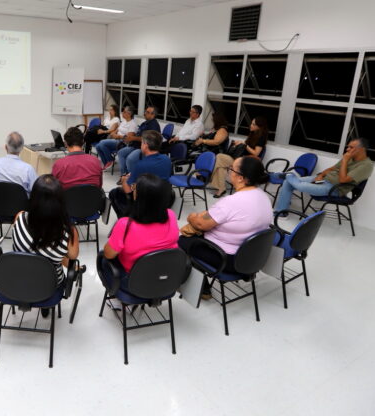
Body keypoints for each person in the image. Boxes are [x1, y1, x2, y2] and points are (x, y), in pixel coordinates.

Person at [178, 156, 273, 298]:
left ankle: (203, 290)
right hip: (252, 258)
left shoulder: (231, 202)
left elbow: (200, 223)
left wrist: (191, 216)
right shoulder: (264, 197)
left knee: (182, 241)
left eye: (231, 169)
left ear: (241, 178)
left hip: (228, 260)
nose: (229, 172)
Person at [100, 173, 179, 293]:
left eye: (134, 188)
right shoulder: (171, 215)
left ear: (138, 196)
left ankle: (117, 296)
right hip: (166, 278)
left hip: (133, 282)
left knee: (102, 257)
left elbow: (109, 254)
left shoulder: (125, 224)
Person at [11, 175, 79, 289]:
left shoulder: (20, 217)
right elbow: (73, 256)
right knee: (59, 256)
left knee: (50, 254)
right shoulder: (68, 232)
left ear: (33, 197)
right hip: (49, 286)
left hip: (19, 278)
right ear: (60, 201)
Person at [274, 138, 373, 213]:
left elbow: (343, 180)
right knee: (288, 183)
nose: (347, 149)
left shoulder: (366, 165)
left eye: (351, 147)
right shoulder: (350, 157)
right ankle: (281, 212)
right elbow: (331, 169)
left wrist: (345, 161)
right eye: (348, 146)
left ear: (361, 149)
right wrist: (321, 175)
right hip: (323, 180)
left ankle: (287, 175)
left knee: (300, 185)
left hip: (335, 188)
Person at [109, 130, 172, 218]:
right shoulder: (167, 159)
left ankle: (126, 218)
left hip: (145, 203)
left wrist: (124, 180)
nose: (141, 145)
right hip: (162, 198)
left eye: (142, 143)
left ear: (145, 145)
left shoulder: (140, 165)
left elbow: (128, 191)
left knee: (114, 193)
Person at [209, 116, 269, 198]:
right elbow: (246, 147)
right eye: (251, 123)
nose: (250, 125)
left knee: (219, 157)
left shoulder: (261, 138)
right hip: (240, 158)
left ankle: (214, 180)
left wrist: (245, 145)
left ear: (259, 127)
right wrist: (239, 144)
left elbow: (256, 153)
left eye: (253, 124)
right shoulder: (252, 134)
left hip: (245, 162)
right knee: (220, 165)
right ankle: (221, 188)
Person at [116, 106, 160, 176]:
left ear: (153, 115)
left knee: (130, 159)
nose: (145, 113)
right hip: (135, 145)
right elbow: (138, 134)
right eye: (145, 111)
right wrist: (130, 138)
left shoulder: (153, 125)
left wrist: (133, 138)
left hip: (144, 148)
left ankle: (133, 179)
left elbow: (149, 140)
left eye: (147, 112)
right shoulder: (145, 123)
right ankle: (124, 175)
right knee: (121, 153)